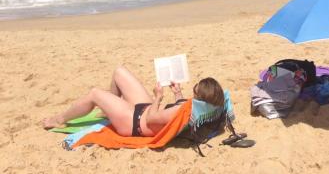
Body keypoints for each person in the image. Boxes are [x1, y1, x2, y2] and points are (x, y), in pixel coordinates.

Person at [42, 66, 224, 137]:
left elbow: (152, 119)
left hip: (133, 121)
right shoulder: (199, 108)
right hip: (141, 112)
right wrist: (177, 94)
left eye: (195, 90)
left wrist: (158, 97)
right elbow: (178, 111)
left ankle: (59, 119)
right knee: (119, 72)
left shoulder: (179, 112)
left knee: (95, 93)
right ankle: (109, 109)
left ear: (199, 96)